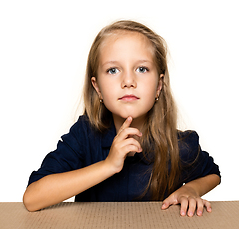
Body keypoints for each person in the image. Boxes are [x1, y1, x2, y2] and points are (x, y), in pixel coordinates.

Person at [23, 20, 221, 216]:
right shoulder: (84, 135)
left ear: (159, 86)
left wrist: (191, 190)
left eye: (142, 69)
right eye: (113, 70)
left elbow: (212, 174)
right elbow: (32, 198)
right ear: (97, 87)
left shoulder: (178, 144)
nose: (128, 81)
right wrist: (109, 165)